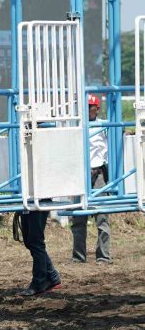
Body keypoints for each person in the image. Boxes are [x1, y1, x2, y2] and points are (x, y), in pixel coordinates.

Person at [71, 94, 112, 264]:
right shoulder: (76, 125)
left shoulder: (104, 125)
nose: (88, 110)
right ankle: (78, 257)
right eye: (86, 107)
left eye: (91, 107)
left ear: (97, 108)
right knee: (78, 217)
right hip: (80, 173)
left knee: (102, 217)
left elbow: (119, 135)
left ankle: (103, 256)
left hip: (99, 173)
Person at [18, 208, 63, 296]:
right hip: (26, 202)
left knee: (36, 242)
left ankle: (39, 282)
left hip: (38, 200)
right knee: (29, 242)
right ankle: (52, 277)